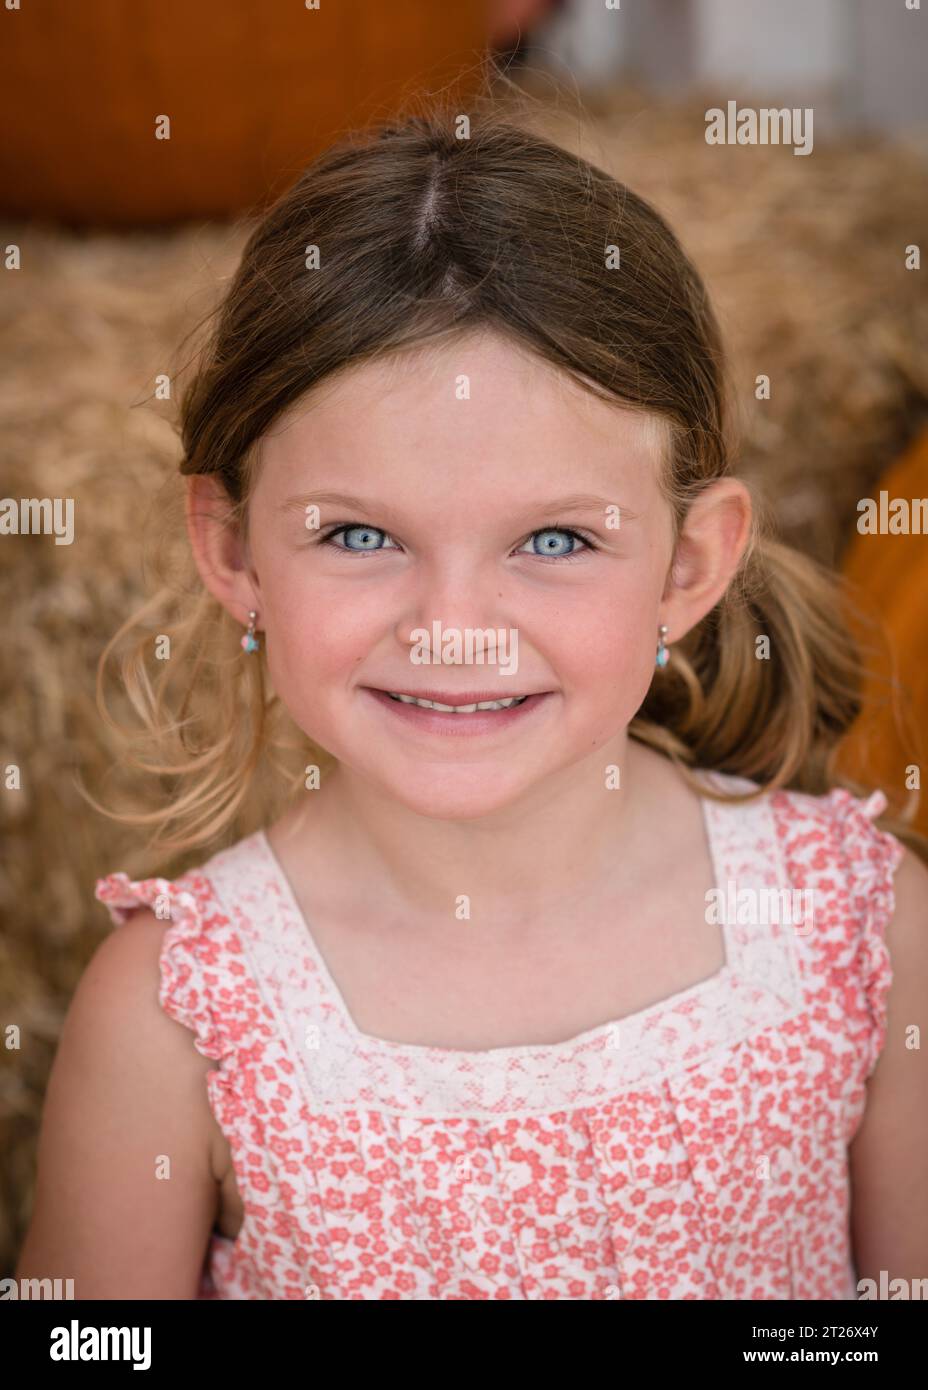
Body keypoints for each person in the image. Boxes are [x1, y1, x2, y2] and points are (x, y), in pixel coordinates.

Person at [16, 101, 928, 1300]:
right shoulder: (175, 1022)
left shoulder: (856, 931)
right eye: (357, 533)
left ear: (691, 565)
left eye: (552, 538)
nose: (450, 625)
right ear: (233, 551)